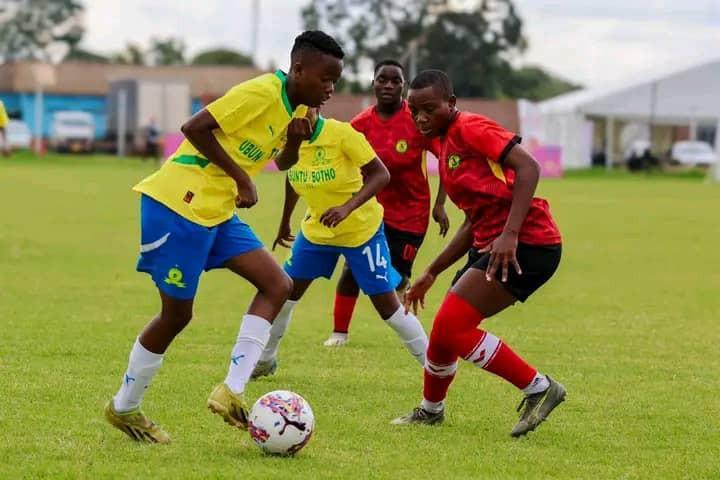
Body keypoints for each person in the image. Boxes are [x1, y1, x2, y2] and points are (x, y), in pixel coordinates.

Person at [104, 31, 345, 444]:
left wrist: (294, 140)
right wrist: (241, 178)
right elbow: (194, 127)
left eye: (335, 81)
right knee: (176, 316)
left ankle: (231, 390)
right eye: (326, 78)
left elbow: (285, 163)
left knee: (277, 284)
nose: (330, 89)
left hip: (216, 211)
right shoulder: (261, 92)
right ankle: (124, 407)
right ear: (298, 69)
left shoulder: (301, 109)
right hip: (177, 205)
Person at [391, 70, 566, 438]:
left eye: (429, 109)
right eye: (414, 110)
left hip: (528, 243)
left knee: (453, 327)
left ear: (451, 103)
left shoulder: (471, 127)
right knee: (443, 333)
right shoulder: (444, 143)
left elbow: (529, 167)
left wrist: (510, 234)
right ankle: (430, 410)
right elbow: (473, 220)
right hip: (491, 244)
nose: (421, 117)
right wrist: (432, 271)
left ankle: (539, 388)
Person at [250, 107, 428, 379]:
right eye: (294, 111)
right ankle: (265, 359)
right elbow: (292, 174)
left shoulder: (342, 133)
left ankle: (435, 367)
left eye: (306, 110)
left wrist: (347, 208)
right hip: (317, 232)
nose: (300, 117)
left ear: (317, 107)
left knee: (388, 308)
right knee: (283, 294)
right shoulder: (289, 135)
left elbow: (381, 175)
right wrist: (285, 221)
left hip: (361, 232)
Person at [324, 59, 449, 348]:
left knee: (393, 278)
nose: (389, 85)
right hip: (371, 212)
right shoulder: (360, 125)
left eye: (396, 81)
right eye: (383, 79)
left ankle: (404, 297)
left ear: (404, 87)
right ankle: (339, 334)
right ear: (373, 84)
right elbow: (341, 161)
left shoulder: (417, 121)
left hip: (411, 216)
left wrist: (440, 204)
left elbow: (446, 159)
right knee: (352, 269)